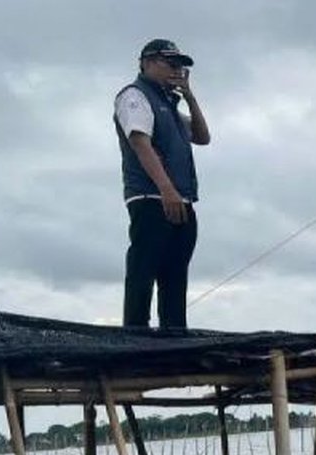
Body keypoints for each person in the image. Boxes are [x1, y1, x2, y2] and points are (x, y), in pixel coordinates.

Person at [114, 39, 210, 330]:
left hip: (182, 199)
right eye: (171, 64)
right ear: (148, 62)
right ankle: (135, 336)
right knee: (143, 272)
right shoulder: (135, 95)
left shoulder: (169, 104)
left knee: (175, 274)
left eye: (180, 66)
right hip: (150, 197)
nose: (176, 70)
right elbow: (140, 142)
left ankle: (174, 334)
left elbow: (202, 136)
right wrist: (167, 189)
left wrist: (190, 97)